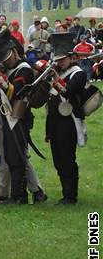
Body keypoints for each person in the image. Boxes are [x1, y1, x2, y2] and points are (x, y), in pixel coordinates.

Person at [0, 30, 45, 205]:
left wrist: (0, 78)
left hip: (19, 117)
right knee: (11, 156)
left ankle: (20, 196)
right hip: (7, 117)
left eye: (8, 57)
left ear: (15, 52)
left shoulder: (23, 69)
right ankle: (18, 194)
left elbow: (15, 92)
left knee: (17, 156)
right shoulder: (7, 69)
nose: (7, 61)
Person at [45, 33, 88, 204]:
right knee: (58, 160)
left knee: (67, 159)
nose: (60, 62)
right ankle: (65, 193)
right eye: (58, 59)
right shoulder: (56, 72)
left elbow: (68, 92)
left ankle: (71, 195)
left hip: (68, 122)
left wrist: (55, 78)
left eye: (63, 59)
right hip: (55, 122)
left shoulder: (78, 74)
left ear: (70, 58)